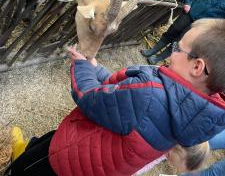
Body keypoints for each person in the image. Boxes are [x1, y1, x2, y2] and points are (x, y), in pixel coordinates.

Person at [6, 19, 225, 176]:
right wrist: (96, 68)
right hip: (99, 165)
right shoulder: (196, 112)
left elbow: (90, 98)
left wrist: (82, 67)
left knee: (27, 167)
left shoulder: (150, 93)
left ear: (197, 66)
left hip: (69, 158)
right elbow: (123, 97)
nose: (172, 52)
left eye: (179, 48)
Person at [141, 0, 225, 64]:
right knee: (172, 31)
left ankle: (158, 58)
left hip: (203, 24)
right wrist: (189, 2)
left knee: (179, 41)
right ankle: (153, 50)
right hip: (193, 10)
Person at [135, 142, 209, 175]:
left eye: (172, 163)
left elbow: (155, 161)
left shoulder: (169, 152)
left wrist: (137, 171)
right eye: (170, 158)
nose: (170, 162)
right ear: (179, 148)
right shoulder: (158, 138)